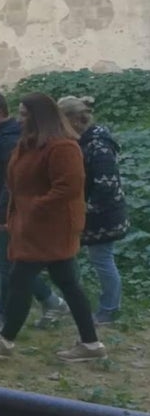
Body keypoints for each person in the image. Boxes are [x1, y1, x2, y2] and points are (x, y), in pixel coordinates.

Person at [0, 93, 106, 362]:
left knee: (20, 280)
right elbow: (14, 181)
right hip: (33, 227)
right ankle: (91, 344)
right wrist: (9, 210)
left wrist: (31, 208)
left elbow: (67, 188)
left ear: (39, 117)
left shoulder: (63, 147)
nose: (19, 120)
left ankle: (5, 341)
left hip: (51, 228)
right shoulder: (29, 144)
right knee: (67, 283)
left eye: (23, 115)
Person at [0, 92, 67, 337]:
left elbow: (15, 182)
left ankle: (3, 317)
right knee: (15, 267)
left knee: (8, 266)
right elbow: (1, 174)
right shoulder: (0, 136)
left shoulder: (10, 139)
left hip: (10, 214)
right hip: (3, 210)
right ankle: (52, 302)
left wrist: (2, 214)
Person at [58, 96, 129, 325]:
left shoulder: (98, 144)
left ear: (75, 120)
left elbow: (106, 185)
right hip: (92, 212)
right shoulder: (85, 140)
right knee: (90, 258)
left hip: (104, 215)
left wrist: (84, 209)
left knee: (102, 260)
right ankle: (85, 304)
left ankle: (109, 309)